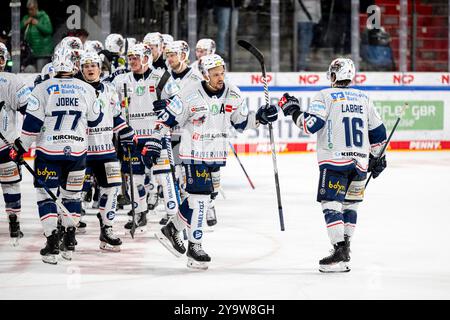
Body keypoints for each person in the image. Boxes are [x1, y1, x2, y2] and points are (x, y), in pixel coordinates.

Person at [149, 53, 278, 270]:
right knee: (199, 200)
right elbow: (167, 119)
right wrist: (153, 142)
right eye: (215, 74)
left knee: (201, 200)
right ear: (205, 74)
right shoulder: (189, 94)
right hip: (192, 153)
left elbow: (241, 122)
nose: (220, 77)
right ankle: (195, 246)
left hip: (215, 154)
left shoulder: (233, 93)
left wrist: (260, 118)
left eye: (222, 73)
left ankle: (171, 229)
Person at [277, 58, 387, 273]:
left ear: (334, 75)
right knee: (350, 206)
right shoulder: (364, 98)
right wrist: (377, 158)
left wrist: (292, 110)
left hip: (335, 161)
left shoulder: (325, 95)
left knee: (331, 204)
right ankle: (345, 252)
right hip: (359, 163)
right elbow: (379, 133)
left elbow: (311, 125)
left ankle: (338, 251)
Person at [10, 46, 100, 264]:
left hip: (49, 151)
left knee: (45, 196)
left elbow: (31, 125)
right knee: (72, 196)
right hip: (78, 151)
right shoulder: (86, 88)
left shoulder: (42, 88)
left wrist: (20, 147)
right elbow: (96, 118)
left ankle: (52, 243)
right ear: (74, 65)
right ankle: (69, 240)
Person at [112, 43, 180, 232]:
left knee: (164, 177)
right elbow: (109, 101)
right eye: (130, 58)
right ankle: (139, 212)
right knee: (135, 179)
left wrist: (167, 103)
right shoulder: (121, 80)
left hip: (156, 135)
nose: (132, 61)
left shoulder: (162, 77)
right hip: (132, 137)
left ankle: (172, 215)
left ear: (146, 58)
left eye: (136, 57)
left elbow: (178, 102)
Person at [79, 51, 134, 251]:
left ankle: (107, 228)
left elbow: (116, 117)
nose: (90, 69)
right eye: (86, 66)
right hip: (81, 152)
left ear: (100, 68)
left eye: (93, 65)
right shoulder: (76, 90)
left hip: (106, 151)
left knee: (111, 190)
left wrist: (127, 131)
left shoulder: (110, 90)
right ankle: (66, 227)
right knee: (75, 192)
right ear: (81, 69)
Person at [160, 40, 203, 226]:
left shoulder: (196, 78)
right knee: (173, 174)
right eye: (167, 55)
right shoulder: (163, 77)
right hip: (170, 132)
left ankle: (192, 210)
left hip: (188, 132)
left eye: (173, 55)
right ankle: (176, 213)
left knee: (187, 175)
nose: (169, 59)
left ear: (183, 55)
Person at [0, 43, 31, 246]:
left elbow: (27, 110)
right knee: (10, 184)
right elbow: (29, 110)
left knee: (11, 183)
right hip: (7, 144)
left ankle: (14, 221)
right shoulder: (13, 80)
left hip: (7, 144)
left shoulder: (12, 80)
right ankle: (14, 222)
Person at [20, 0, 53, 72]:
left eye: (32, 9)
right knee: (28, 72)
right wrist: (25, 23)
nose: (30, 12)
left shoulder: (44, 17)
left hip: (42, 52)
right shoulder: (26, 17)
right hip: (30, 52)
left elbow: (49, 30)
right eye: (29, 9)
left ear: (36, 7)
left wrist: (38, 24)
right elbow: (17, 29)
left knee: (40, 72)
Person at [296, 0, 321, 71]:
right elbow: (317, 5)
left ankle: (302, 64)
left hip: (302, 16)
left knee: (304, 42)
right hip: (311, 16)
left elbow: (295, 4)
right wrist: (318, 17)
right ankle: (302, 66)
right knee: (306, 43)